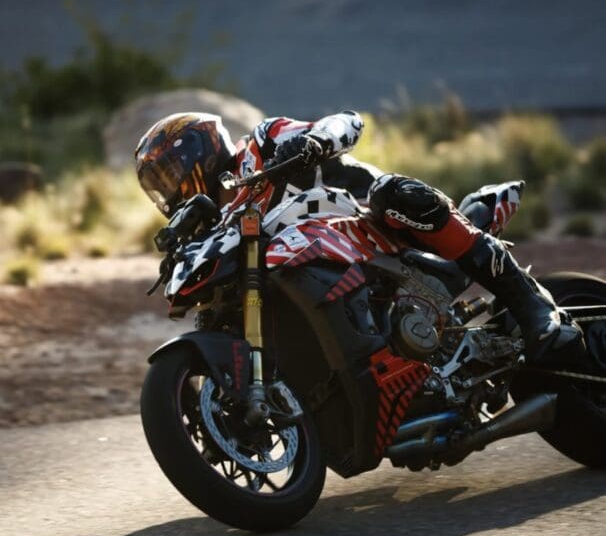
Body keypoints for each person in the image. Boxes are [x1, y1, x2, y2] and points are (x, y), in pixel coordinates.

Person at [135, 110, 581, 362]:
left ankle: (532, 304)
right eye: (160, 182)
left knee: (394, 193)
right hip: (313, 266)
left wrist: (311, 142)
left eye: (169, 172)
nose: (170, 187)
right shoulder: (214, 221)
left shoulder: (261, 142)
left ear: (198, 149)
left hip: (372, 220)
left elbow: (347, 122)